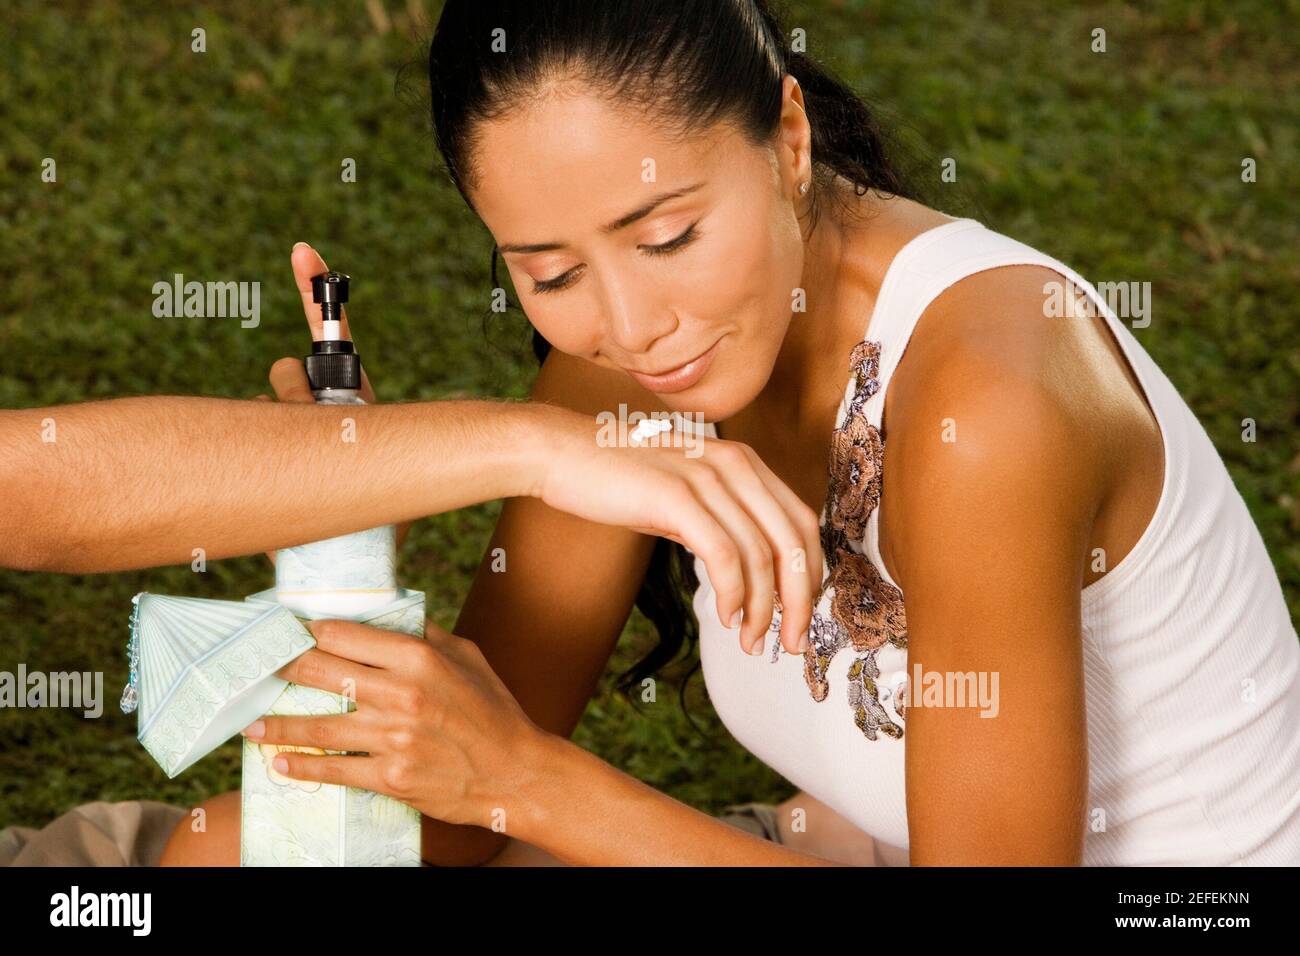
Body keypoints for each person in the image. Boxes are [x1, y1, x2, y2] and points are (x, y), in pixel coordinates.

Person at [12, 0, 1300, 867]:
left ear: (787, 137)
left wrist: (524, 779)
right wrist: (338, 549)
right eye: (549, 270)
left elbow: (499, 779)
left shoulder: (987, 397)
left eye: (669, 235)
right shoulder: (611, 381)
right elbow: (445, 822)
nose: (633, 324)